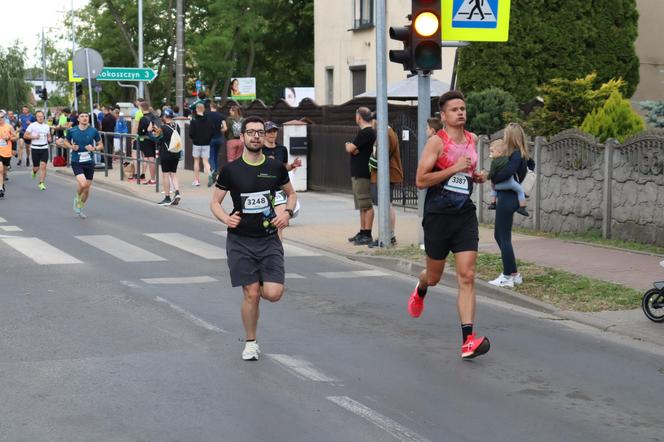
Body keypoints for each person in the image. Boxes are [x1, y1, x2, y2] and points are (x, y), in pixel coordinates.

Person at [407, 90, 491, 360]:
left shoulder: (472, 139)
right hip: (438, 216)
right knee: (433, 277)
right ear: (443, 116)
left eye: (463, 108)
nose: (461, 112)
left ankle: (468, 341)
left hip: (464, 215)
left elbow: (466, 172)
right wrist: (454, 169)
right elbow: (420, 180)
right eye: (455, 109)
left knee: (467, 276)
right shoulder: (437, 143)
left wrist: (474, 176)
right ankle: (421, 288)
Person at [210, 116, 297, 361]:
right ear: (243, 137)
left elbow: (291, 195)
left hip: (269, 239)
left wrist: (287, 214)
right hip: (240, 241)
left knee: (273, 293)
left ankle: (258, 284)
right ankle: (250, 342)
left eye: (260, 132)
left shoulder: (275, 167)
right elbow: (215, 202)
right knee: (252, 294)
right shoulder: (231, 170)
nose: (256, 136)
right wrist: (226, 219)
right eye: (251, 132)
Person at [488, 122, 535, 288]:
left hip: (508, 198)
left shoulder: (516, 155)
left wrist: (492, 176)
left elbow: (507, 173)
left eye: (506, 135)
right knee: (499, 235)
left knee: (503, 237)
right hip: (508, 197)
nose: (504, 138)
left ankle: (507, 276)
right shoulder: (521, 155)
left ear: (511, 137)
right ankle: (514, 274)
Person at [368, 114, 404, 247]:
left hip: (387, 175)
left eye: (373, 121)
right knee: (387, 204)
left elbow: (381, 155)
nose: (372, 124)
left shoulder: (387, 134)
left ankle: (388, 235)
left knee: (386, 205)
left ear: (377, 120)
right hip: (385, 174)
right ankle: (387, 234)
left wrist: (372, 161)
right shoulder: (387, 132)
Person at [262, 121, 302, 238]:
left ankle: (278, 252)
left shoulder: (282, 149)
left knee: (278, 223)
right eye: (269, 132)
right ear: (264, 134)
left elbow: (283, 168)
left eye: (274, 131)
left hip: (278, 190)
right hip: (263, 190)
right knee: (264, 226)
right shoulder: (259, 150)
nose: (272, 134)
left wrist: (292, 166)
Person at [345, 107, 376, 246]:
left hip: (363, 173)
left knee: (366, 204)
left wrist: (348, 145)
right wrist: (353, 148)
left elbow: (351, 148)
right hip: (358, 173)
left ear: (359, 117)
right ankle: (362, 231)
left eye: (356, 115)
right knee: (361, 205)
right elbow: (355, 149)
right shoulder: (364, 132)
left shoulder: (367, 132)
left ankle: (367, 233)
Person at [63, 112, 103, 219]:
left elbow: (101, 145)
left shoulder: (93, 131)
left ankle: (80, 207)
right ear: (78, 119)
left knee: (86, 189)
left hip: (89, 161)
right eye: (82, 117)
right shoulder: (72, 130)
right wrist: (71, 147)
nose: (85, 118)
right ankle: (77, 198)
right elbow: (65, 142)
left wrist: (94, 148)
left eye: (86, 116)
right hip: (77, 161)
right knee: (84, 184)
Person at [487, 139, 529, 216]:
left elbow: (492, 173)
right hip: (512, 183)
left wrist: (488, 177)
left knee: (493, 188)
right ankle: (522, 207)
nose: (490, 153)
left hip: (500, 186)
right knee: (520, 190)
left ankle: (493, 203)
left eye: (492, 151)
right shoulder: (508, 158)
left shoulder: (494, 162)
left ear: (499, 152)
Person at [151, 108, 181, 206]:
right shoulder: (177, 126)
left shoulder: (163, 128)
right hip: (176, 152)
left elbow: (156, 138)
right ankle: (177, 192)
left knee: (166, 175)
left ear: (164, 116)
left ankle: (167, 197)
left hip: (166, 153)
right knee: (174, 174)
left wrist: (152, 131)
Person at [23, 111, 52, 191]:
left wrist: (49, 139)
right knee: (36, 167)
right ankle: (34, 172)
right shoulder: (32, 125)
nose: (40, 117)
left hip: (44, 148)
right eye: (38, 116)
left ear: (44, 117)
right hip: (35, 148)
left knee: (43, 166)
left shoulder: (46, 126)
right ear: (36, 117)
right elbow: (25, 135)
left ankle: (41, 183)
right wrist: (33, 137)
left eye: (42, 116)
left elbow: (49, 136)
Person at [189, 102, 214, 187]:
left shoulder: (194, 120)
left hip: (196, 143)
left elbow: (191, 133)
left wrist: (194, 138)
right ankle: (210, 174)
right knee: (205, 161)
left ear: (196, 109)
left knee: (196, 161)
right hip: (206, 143)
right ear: (203, 109)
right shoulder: (209, 119)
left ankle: (197, 181)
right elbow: (212, 131)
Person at [137, 101, 159, 184]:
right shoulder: (153, 116)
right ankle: (153, 178)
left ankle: (153, 179)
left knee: (150, 159)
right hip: (154, 139)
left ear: (142, 108)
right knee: (151, 158)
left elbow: (140, 132)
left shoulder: (143, 119)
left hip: (146, 140)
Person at [207, 101, 227, 177]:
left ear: (211, 107)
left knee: (210, 157)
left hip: (210, 139)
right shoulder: (221, 116)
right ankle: (216, 171)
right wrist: (219, 130)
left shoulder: (207, 115)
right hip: (219, 139)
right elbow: (225, 128)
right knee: (216, 156)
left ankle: (213, 171)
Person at [0, 111, 17, 198]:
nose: (0, 119)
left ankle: (2, 184)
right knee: (0, 169)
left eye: (1, 117)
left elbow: (15, 137)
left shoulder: (9, 127)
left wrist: (9, 137)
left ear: (4, 118)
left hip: (6, 152)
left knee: (4, 171)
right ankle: (1, 188)